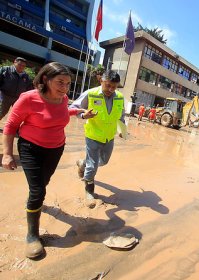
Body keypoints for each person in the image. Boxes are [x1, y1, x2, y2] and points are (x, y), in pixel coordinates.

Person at [1, 62, 95, 259]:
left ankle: (35, 202)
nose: (64, 88)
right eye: (60, 82)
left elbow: (62, 112)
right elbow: (10, 126)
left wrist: (79, 113)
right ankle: (32, 235)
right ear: (46, 79)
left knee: (42, 183)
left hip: (56, 149)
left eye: (68, 84)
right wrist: (7, 153)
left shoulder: (63, 99)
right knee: (38, 190)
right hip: (30, 148)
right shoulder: (28, 98)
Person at [70, 70, 126, 207]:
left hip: (109, 137)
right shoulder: (91, 94)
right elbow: (73, 108)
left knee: (103, 162)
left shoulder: (119, 97)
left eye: (114, 87)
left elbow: (121, 116)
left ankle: (82, 163)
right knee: (93, 165)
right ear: (101, 80)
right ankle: (89, 191)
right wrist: (83, 116)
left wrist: (122, 130)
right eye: (108, 86)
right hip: (93, 135)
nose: (111, 90)